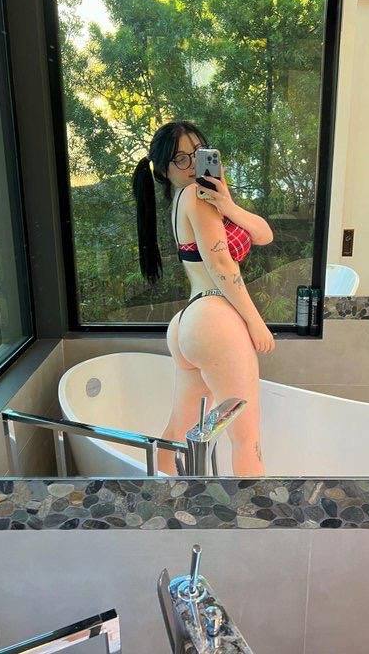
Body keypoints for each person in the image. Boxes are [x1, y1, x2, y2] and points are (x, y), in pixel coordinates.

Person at [132, 120, 275, 476]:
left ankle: (164, 498)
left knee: (176, 433)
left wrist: (228, 203)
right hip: (215, 322)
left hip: (192, 323)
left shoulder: (196, 198)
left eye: (198, 153)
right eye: (180, 158)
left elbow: (264, 235)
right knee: (246, 440)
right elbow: (221, 265)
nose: (192, 164)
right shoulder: (195, 196)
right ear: (163, 170)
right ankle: (258, 511)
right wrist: (255, 322)